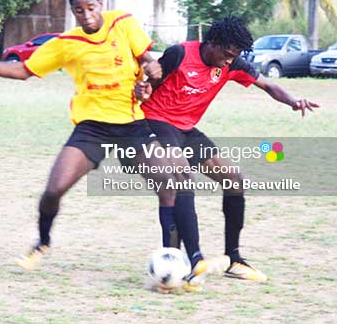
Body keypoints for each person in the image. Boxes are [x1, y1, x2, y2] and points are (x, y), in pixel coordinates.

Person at [0, 0, 226, 288]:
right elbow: (24, 70)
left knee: (172, 180)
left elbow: (148, 60)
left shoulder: (123, 23)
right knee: (54, 189)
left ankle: (183, 257)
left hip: (132, 126)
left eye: (91, 8)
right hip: (91, 127)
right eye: (79, 10)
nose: (87, 16)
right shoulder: (66, 43)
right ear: (73, 11)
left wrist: (149, 77)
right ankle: (42, 242)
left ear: (101, 3)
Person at [135, 16, 319, 282]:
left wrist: (293, 101)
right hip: (157, 121)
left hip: (187, 129)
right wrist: (142, 89)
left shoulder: (232, 63)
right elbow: (148, 86)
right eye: (227, 54)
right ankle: (194, 258)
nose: (229, 61)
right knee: (182, 179)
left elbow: (267, 84)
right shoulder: (179, 54)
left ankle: (234, 258)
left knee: (234, 179)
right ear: (212, 43)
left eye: (235, 56)